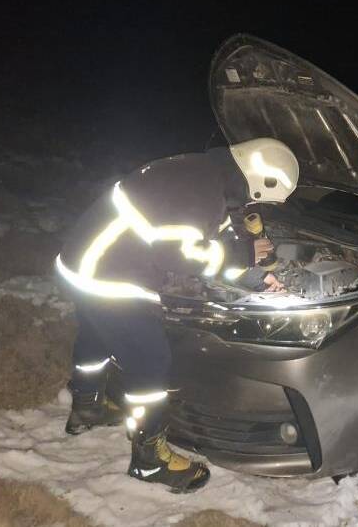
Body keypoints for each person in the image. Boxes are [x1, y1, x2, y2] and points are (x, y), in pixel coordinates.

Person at [55, 137, 299, 493]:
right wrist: (244, 255)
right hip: (109, 273)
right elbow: (182, 258)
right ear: (262, 181)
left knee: (96, 333)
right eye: (260, 198)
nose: (253, 205)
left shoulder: (207, 177)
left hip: (82, 262)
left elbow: (210, 244)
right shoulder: (199, 191)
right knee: (152, 361)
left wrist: (256, 276)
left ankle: (87, 406)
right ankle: (149, 461)